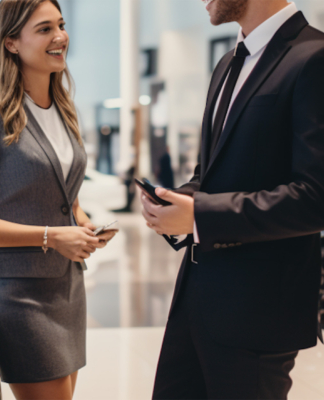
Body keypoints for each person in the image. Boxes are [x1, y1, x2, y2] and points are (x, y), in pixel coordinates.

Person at [139, 0, 324, 398]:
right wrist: (174, 200)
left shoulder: (315, 58)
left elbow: (315, 196)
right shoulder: (227, 63)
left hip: (258, 311)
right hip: (195, 300)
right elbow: (212, 175)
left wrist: (200, 216)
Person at [0, 1, 116, 399]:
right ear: (11, 44)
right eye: (44, 30)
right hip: (17, 294)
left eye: (61, 24)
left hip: (66, 288)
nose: (60, 37)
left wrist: (82, 221)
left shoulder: (64, 108)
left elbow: (63, 196)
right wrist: (52, 236)